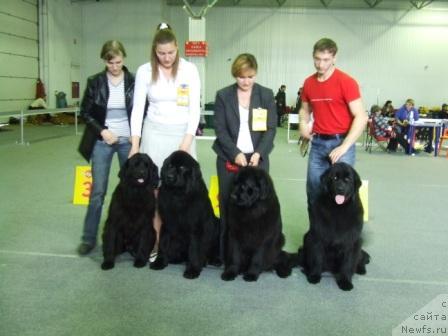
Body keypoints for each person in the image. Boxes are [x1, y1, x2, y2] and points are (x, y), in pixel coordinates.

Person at [129, 23, 201, 246]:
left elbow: (194, 109)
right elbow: (138, 109)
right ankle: (155, 242)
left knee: (184, 191)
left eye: (170, 52)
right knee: (156, 192)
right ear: (154, 50)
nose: (167, 57)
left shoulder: (190, 69)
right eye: (161, 53)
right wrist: (135, 144)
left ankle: (183, 242)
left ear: (177, 48)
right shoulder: (143, 71)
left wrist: (186, 144)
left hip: (182, 135)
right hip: (154, 133)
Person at [212, 53, 277, 258]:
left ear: (255, 74)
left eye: (250, 76)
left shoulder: (266, 95)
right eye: (241, 77)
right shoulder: (223, 95)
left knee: (259, 206)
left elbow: (271, 128)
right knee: (228, 204)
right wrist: (235, 153)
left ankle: (256, 253)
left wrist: (259, 153)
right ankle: (226, 253)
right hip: (229, 158)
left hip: (258, 158)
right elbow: (220, 130)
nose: (246, 81)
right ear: (235, 75)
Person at [77, 40, 135, 255]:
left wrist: (135, 138)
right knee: (98, 192)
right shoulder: (95, 82)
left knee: (130, 192)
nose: (115, 67)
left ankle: (129, 238)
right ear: (104, 61)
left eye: (118, 62)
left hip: (127, 142)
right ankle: (88, 238)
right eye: (110, 63)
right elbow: (85, 112)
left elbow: (140, 110)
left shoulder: (133, 81)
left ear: (124, 59)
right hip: (102, 141)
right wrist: (102, 131)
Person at [299, 38, 367, 207]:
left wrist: (344, 147)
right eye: (317, 59)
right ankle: (317, 232)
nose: (320, 64)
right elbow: (305, 110)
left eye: (326, 60)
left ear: (334, 58)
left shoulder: (346, 82)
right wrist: (302, 123)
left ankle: (342, 233)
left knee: (342, 194)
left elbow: (361, 116)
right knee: (314, 191)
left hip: (341, 144)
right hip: (318, 144)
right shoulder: (308, 83)